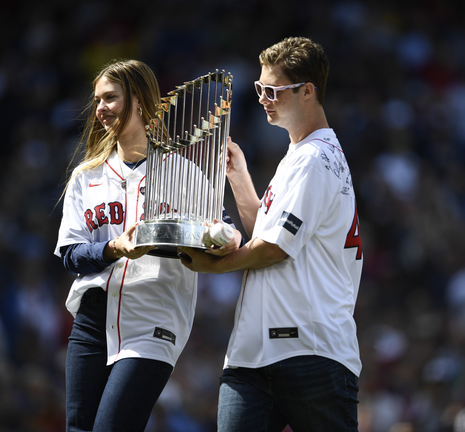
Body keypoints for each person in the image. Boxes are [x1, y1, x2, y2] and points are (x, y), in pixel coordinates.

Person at [179, 37, 363, 431]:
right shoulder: (300, 155)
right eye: (260, 88)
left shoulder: (314, 158)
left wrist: (213, 266)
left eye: (274, 90)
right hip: (255, 354)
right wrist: (239, 177)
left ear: (307, 91)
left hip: (311, 351)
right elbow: (266, 232)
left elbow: (275, 248)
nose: (263, 98)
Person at [53, 59, 241, 432]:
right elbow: (72, 256)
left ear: (138, 100)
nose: (100, 108)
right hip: (91, 321)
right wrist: (114, 248)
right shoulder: (86, 176)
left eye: (110, 97)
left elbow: (226, 232)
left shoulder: (181, 171)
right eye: (97, 99)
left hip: (154, 318)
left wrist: (224, 238)